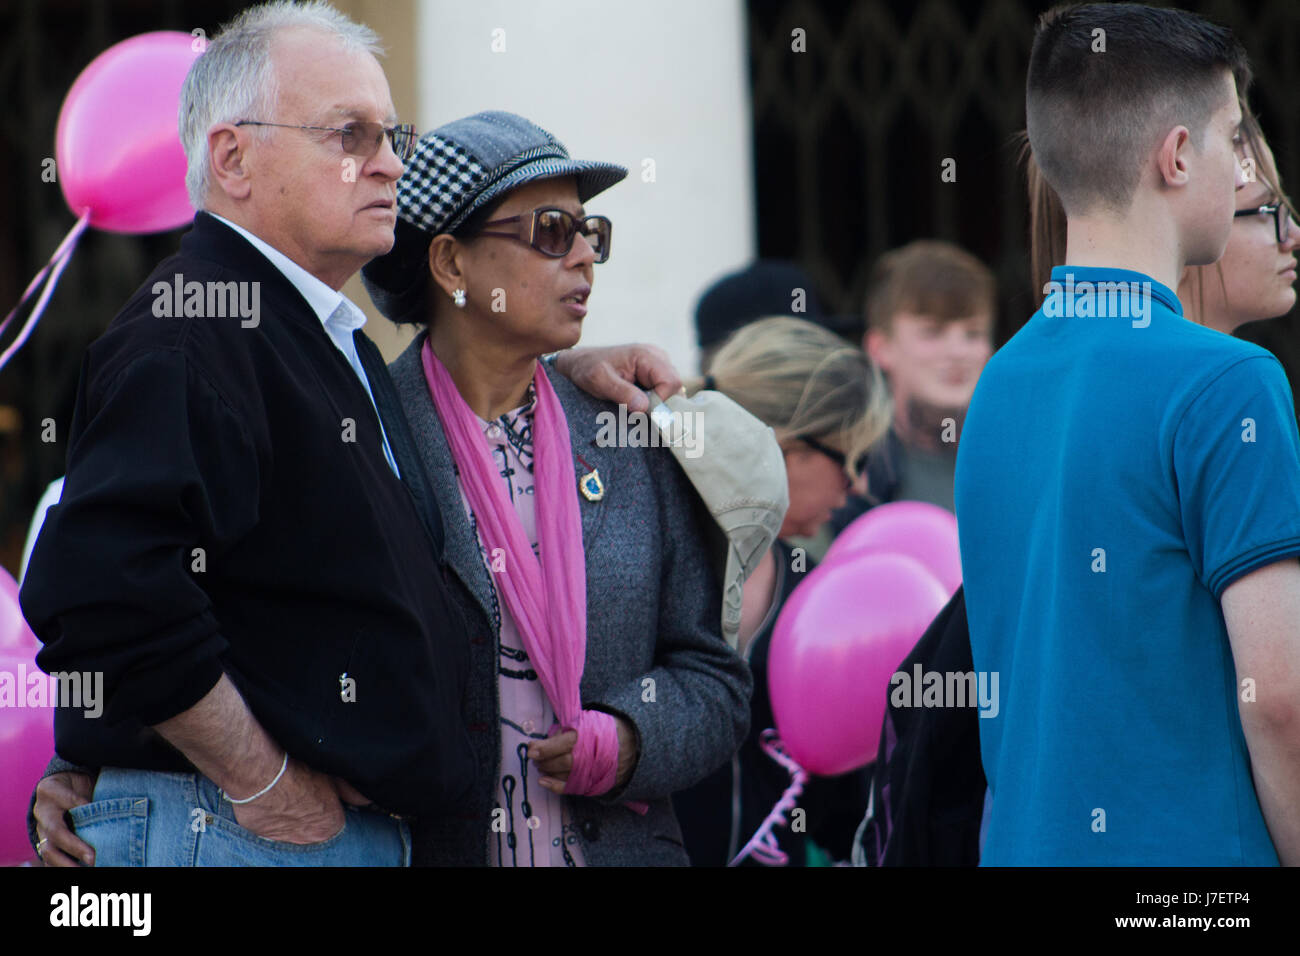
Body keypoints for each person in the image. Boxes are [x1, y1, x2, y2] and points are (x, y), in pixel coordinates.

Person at [21, 2, 691, 868]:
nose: (387, 166)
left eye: (393, 136)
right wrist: (261, 786)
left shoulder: (318, 338)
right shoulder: (193, 330)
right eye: (350, 136)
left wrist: (554, 369)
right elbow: (105, 597)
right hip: (242, 834)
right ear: (233, 157)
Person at [358, 111, 752, 866]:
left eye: (588, 232)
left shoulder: (630, 436)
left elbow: (714, 679)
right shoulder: (371, 438)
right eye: (549, 231)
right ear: (450, 264)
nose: (584, 259)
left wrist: (632, 738)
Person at [957, 2, 1300, 865]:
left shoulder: (1000, 380)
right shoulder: (1228, 379)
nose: (1242, 168)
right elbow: (1281, 697)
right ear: (1178, 155)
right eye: (1231, 137)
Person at [671, 316, 890, 866]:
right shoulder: (645, 550)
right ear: (782, 444)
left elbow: (839, 806)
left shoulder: (815, 596)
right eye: (851, 459)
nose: (860, 485)